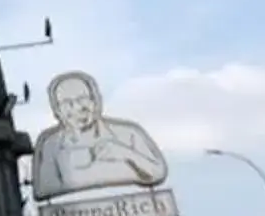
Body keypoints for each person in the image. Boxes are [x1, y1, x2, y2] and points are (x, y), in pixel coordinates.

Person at [31, 71, 169, 203]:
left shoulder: (128, 134)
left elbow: (157, 172)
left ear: (95, 101)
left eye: (82, 99)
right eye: (67, 103)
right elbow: (45, 189)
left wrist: (126, 153)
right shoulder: (51, 145)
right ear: (58, 111)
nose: (77, 108)